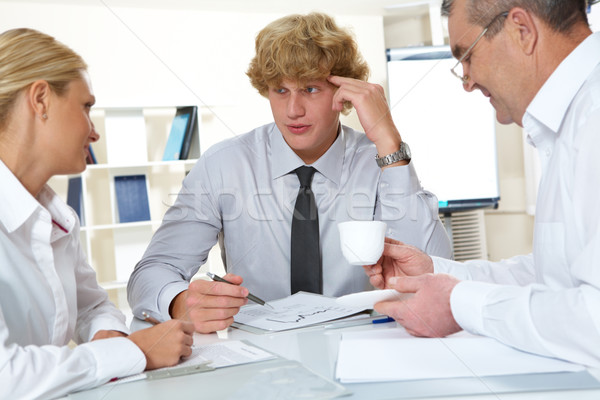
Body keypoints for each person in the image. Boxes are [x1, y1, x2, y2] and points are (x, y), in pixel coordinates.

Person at [128, 12, 452, 334]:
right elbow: (151, 273)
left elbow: (437, 273)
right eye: (280, 90)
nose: (293, 110)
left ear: (344, 91)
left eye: (310, 89)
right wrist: (180, 303)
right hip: (260, 361)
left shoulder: (381, 160)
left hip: (365, 348)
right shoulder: (223, 166)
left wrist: (388, 140)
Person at [365, 0, 600, 367]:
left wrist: (460, 304)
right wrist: (437, 274)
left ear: (522, 30)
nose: (468, 83)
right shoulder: (571, 120)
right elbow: (554, 275)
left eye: (467, 57)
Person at [0, 28, 194, 399]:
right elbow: (6, 376)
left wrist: (109, 334)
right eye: (86, 107)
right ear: (40, 100)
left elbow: (92, 306)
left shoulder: (55, 216)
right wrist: (135, 351)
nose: (94, 134)